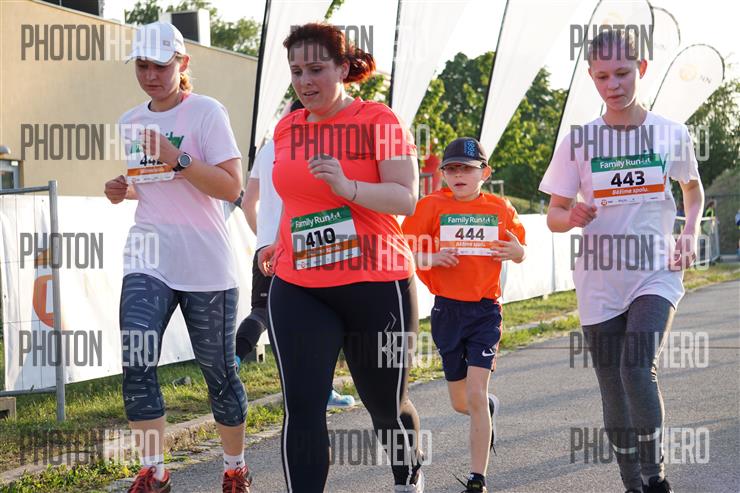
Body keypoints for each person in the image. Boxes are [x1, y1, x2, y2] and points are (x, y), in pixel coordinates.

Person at [259, 22, 424, 492]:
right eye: (296, 72)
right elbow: (294, 198)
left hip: (375, 283)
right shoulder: (288, 127)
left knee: (385, 406)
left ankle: (408, 479)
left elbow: (405, 198)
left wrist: (348, 187)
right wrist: (278, 241)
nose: (305, 81)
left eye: (316, 69)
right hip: (300, 283)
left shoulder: (379, 120)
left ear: (343, 68)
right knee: (303, 406)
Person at [539, 29, 704, 493]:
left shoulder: (670, 133)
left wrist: (689, 231)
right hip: (599, 280)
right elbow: (553, 215)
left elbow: (692, 190)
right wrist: (571, 215)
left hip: (655, 272)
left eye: (622, 73)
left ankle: (655, 478)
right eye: (602, 76)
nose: (613, 85)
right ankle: (632, 483)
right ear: (591, 77)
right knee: (612, 387)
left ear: (641, 69)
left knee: (637, 368)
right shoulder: (579, 142)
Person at [103, 22, 251, 493]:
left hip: (205, 262)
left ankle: (234, 467)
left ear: (182, 64)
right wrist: (123, 189)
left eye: (160, 66)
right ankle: (155, 471)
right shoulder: (130, 121)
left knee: (219, 375)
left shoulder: (206, 112)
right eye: (142, 66)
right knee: (136, 359)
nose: (150, 75)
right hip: (148, 254)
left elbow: (230, 186)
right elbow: (150, 184)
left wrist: (177, 157)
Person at [402, 137, 526, 493]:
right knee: (462, 403)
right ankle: (486, 407)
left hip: (485, 312)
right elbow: (403, 250)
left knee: (474, 392)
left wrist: (517, 251)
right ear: (443, 173)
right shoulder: (429, 206)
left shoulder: (500, 208)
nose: (458, 175)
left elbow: (519, 250)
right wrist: (430, 258)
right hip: (447, 311)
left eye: (467, 169)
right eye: (452, 169)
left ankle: (477, 479)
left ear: (484, 173)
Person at [236, 99, 355, 409]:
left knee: (265, 313)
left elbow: (248, 202)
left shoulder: (268, 148)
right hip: (315, 237)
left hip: (270, 247)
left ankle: (234, 360)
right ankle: (322, 390)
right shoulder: (326, 143)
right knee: (325, 316)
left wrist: (264, 238)